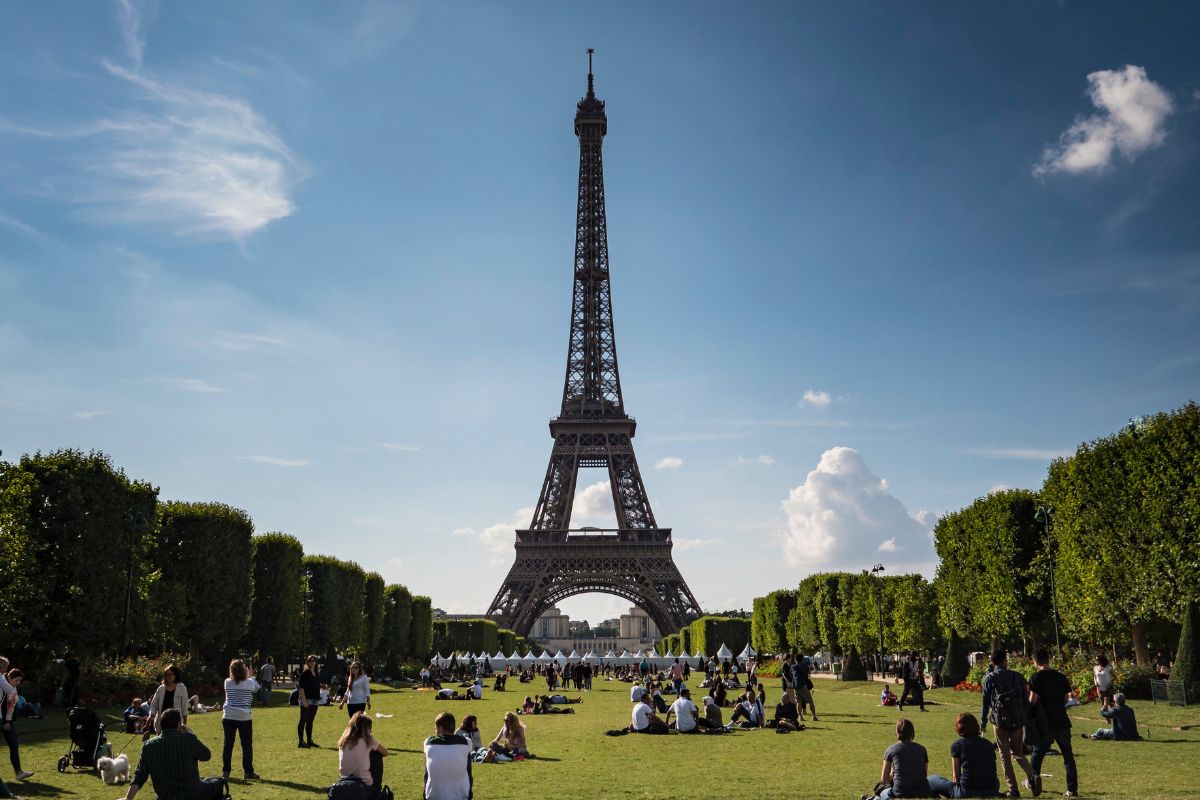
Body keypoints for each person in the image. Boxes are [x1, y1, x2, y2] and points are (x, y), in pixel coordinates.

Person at [118, 708, 226, 800]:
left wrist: (128, 798)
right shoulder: (188, 739)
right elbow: (206, 755)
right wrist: (191, 734)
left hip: (165, 796)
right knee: (218, 782)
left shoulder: (149, 746)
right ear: (179, 724)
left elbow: (140, 775)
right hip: (192, 793)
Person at [980, 650, 1035, 798]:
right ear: (1005, 660)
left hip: (999, 721)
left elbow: (985, 702)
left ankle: (1013, 789)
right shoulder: (1017, 676)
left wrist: (983, 721)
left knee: (1004, 755)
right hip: (1016, 720)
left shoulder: (989, 678)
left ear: (993, 662)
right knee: (1017, 752)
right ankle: (1032, 774)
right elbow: (1025, 699)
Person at [1026, 648, 1078, 798]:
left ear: (1035, 661)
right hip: (1061, 720)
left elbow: (1033, 701)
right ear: (1048, 659)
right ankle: (1072, 789)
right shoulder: (1060, 676)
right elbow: (1066, 699)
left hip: (1044, 722)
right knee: (1068, 756)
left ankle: (1033, 782)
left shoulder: (1036, 678)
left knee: (1038, 753)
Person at [927, 712, 1000, 798]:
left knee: (930, 779)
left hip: (967, 791)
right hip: (992, 789)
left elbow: (956, 778)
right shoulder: (988, 744)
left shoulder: (957, 745)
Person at [861, 718, 930, 800]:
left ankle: (872, 799)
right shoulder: (922, 749)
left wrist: (893, 774)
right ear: (912, 733)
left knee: (881, 788)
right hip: (922, 791)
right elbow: (924, 774)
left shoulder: (891, 749)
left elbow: (884, 779)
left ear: (897, 733)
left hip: (900, 792)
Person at [220, 659, 259, 781]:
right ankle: (248, 771)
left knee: (228, 745)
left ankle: (226, 772)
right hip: (244, 717)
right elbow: (257, 688)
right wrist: (251, 676)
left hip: (228, 716)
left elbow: (235, 680)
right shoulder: (250, 682)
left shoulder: (227, 682)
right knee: (246, 745)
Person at [336, 711, 389, 799]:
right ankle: (376, 792)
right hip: (365, 786)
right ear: (366, 728)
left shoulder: (343, 741)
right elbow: (385, 752)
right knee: (376, 754)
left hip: (345, 780)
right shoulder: (368, 740)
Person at [424, 712, 472, 800]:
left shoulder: (428, 743)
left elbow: (426, 775)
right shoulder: (466, 742)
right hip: (460, 796)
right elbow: (469, 773)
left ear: (440, 728)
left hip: (433, 796)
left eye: (436, 728)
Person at [0, 670, 32, 782]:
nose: (18, 682)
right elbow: (2, 707)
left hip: (9, 721)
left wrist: (10, 721)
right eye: (16, 680)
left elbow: (12, 706)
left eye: (19, 680)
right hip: (3, 720)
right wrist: (4, 722)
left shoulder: (13, 688)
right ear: (9, 678)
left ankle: (19, 772)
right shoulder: (3, 687)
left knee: (14, 745)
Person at [149, 664, 189, 734]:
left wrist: (184, 723)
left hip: (176, 722)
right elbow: (154, 704)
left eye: (171, 674)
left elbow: (184, 706)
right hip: (162, 722)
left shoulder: (182, 688)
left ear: (175, 675)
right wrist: (151, 716)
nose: (169, 676)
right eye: (167, 674)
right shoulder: (160, 689)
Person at [297, 655, 322, 748]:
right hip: (306, 699)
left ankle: (309, 740)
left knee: (310, 721)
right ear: (307, 663)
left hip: (315, 699)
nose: (312, 662)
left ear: (316, 662)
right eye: (310, 661)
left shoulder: (316, 673)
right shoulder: (305, 673)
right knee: (303, 720)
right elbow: (301, 687)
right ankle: (301, 742)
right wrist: (304, 700)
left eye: (314, 661)